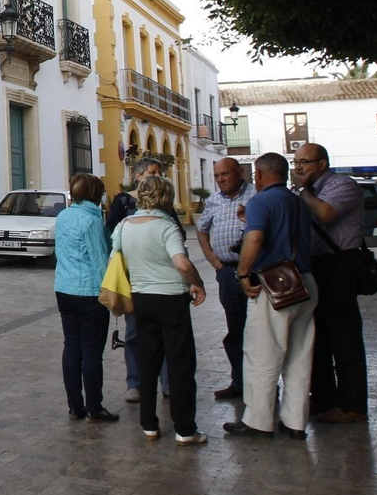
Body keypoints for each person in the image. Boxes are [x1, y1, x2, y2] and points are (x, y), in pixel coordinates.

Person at [224, 153, 319, 440]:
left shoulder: (260, 201)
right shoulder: (298, 202)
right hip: (305, 281)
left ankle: (258, 420)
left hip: (275, 283)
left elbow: (255, 238)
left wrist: (242, 274)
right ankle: (295, 421)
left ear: (260, 174)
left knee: (262, 353)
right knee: (300, 354)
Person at [112, 174, 208, 445]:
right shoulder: (167, 227)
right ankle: (185, 428)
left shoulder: (124, 225)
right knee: (180, 364)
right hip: (171, 300)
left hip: (140, 300)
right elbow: (182, 263)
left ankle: (149, 424)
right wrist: (198, 283)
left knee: (147, 361)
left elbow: (115, 259)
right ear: (166, 197)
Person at [294, 143, 368, 423]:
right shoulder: (304, 191)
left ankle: (352, 404)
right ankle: (322, 398)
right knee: (318, 337)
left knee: (344, 336)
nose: (299, 167)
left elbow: (325, 215)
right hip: (315, 266)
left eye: (306, 162)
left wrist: (304, 191)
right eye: (296, 161)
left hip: (339, 266)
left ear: (322, 164)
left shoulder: (342, 185)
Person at [105, 156, 182, 402]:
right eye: (152, 172)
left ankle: (168, 383)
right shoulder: (123, 201)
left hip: (160, 279)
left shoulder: (165, 204)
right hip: (132, 277)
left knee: (163, 336)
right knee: (134, 333)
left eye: (159, 172)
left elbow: (177, 233)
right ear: (138, 176)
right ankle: (135, 383)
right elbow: (112, 233)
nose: (157, 176)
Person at [53, 173, 117, 422]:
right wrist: (110, 294)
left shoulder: (63, 215)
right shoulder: (92, 222)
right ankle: (94, 406)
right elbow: (100, 259)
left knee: (71, 347)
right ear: (95, 194)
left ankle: (74, 405)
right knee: (91, 352)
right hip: (89, 291)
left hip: (64, 288)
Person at [195, 157, 255, 399]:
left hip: (253, 273)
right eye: (217, 175)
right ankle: (239, 381)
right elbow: (201, 228)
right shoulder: (214, 200)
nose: (220, 180)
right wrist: (210, 256)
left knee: (258, 330)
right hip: (228, 273)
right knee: (236, 328)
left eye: (225, 175)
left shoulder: (255, 195)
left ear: (239, 173)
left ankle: (263, 386)